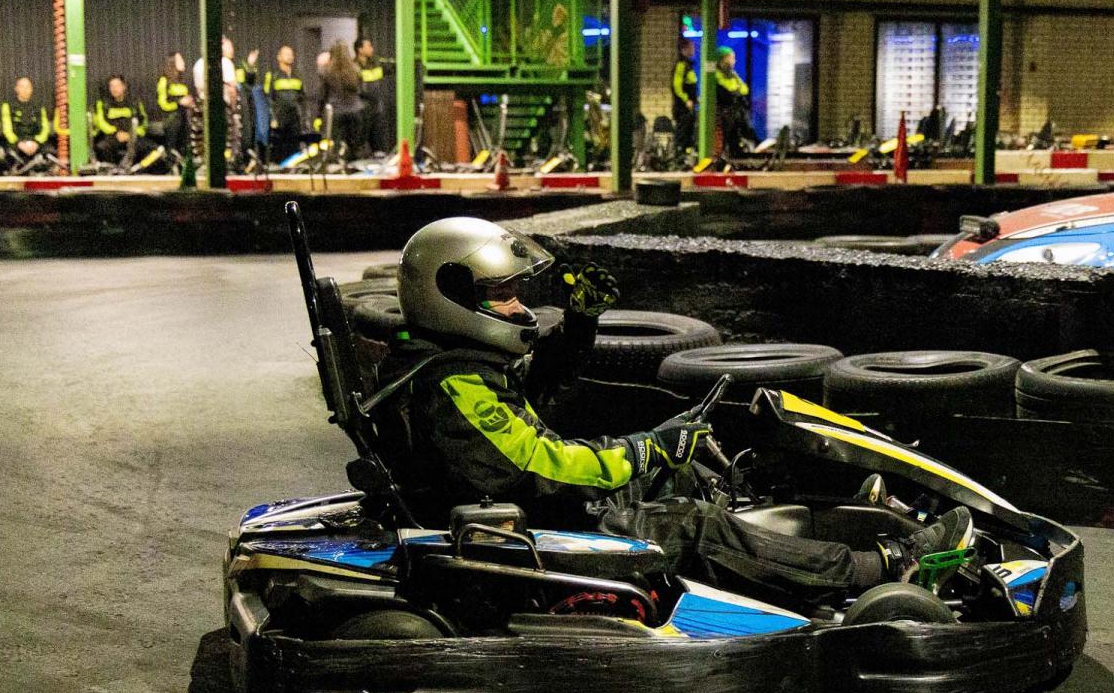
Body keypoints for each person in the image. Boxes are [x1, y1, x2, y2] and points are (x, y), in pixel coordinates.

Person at [373, 217, 974, 601]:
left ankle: (813, 534)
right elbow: (542, 466)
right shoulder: (451, 384)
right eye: (501, 295)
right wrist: (646, 448)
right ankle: (881, 569)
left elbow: (537, 391)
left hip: (518, 509)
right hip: (516, 535)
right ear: (451, 296)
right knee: (691, 523)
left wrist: (580, 325)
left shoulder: (449, 364)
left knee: (685, 471)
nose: (518, 308)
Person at [320, 41, 366, 163]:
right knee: (355, 148)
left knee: (336, 146)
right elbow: (360, 90)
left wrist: (319, 115)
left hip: (337, 112)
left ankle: (338, 167)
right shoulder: (356, 69)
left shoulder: (327, 71)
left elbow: (323, 95)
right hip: (355, 111)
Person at [90, 74, 146, 167]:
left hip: (132, 137)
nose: (114, 89)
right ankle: (112, 171)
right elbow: (101, 123)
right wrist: (116, 133)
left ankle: (135, 171)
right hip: (112, 137)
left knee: (147, 148)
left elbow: (144, 123)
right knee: (102, 147)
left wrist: (130, 134)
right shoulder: (102, 103)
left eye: (117, 86)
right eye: (111, 86)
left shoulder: (135, 103)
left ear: (124, 87)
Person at [264, 44, 306, 164]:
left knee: (294, 147)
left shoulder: (298, 75)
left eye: (291, 54)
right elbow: (267, 98)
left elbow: (303, 98)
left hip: (295, 118)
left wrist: (303, 117)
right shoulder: (272, 76)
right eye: (286, 54)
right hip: (279, 118)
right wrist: (272, 117)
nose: (289, 56)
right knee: (279, 148)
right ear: (279, 57)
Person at [712, 45, 756, 155]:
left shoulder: (733, 74)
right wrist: (736, 90)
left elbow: (744, 89)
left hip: (734, 110)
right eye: (731, 58)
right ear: (723, 59)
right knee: (728, 131)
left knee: (741, 124)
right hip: (723, 111)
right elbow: (725, 89)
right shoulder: (716, 74)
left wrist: (737, 91)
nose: (734, 61)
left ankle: (740, 148)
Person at [0, 76, 51, 166]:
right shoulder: (7, 106)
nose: (25, 90)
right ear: (16, 89)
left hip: (35, 143)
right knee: (6, 154)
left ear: (31, 89)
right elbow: (7, 130)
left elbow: (45, 129)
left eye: (27, 87)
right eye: (22, 86)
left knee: (49, 153)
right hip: (16, 144)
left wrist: (36, 142)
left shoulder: (39, 106)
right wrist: (19, 143)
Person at [354, 35, 390, 155]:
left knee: (379, 143)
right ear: (360, 49)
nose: (372, 49)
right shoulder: (353, 67)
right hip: (362, 110)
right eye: (368, 46)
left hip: (377, 109)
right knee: (360, 143)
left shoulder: (376, 64)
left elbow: (390, 68)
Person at [155, 52, 193, 156]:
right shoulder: (164, 80)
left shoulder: (181, 80)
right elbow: (163, 104)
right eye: (180, 60)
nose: (183, 62)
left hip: (184, 118)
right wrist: (179, 103)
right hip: (171, 119)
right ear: (172, 63)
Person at [671, 37, 699, 148]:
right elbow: (676, 87)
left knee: (689, 133)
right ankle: (679, 153)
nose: (693, 49)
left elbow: (690, 85)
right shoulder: (681, 65)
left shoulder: (688, 66)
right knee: (682, 133)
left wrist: (695, 99)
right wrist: (686, 100)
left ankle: (686, 153)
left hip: (689, 107)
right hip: (682, 107)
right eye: (691, 47)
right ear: (683, 49)